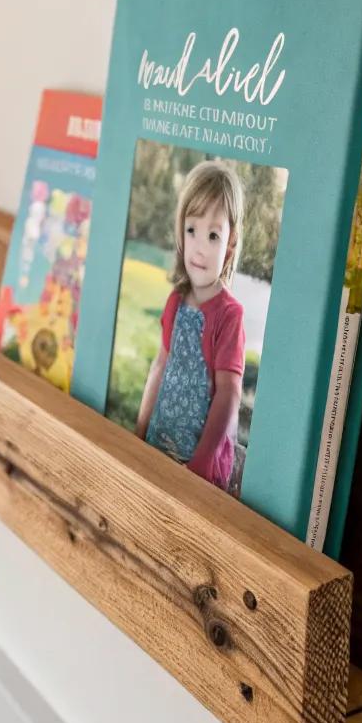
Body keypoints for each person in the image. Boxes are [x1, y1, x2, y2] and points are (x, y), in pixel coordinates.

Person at [135, 161, 246, 491]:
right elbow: (160, 366)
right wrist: (140, 432)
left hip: (198, 464)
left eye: (213, 235)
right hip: (160, 441)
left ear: (230, 245)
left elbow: (229, 393)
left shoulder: (229, 315)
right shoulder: (175, 301)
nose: (199, 246)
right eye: (192, 230)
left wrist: (199, 464)